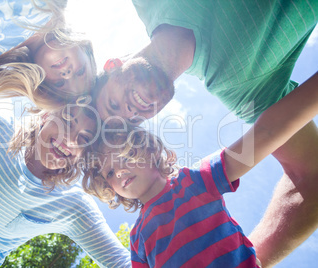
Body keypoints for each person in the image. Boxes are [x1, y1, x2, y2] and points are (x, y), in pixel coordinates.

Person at [93, 1, 318, 266]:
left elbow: (266, 134)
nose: (130, 111)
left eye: (113, 105)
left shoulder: (194, 181)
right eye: (109, 173)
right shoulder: (137, 240)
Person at [0, 55, 131, 267]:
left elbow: (121, 263)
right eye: (66, 120)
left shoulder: (74, 207)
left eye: (83, 139)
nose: (69, 139)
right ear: (47, 116)